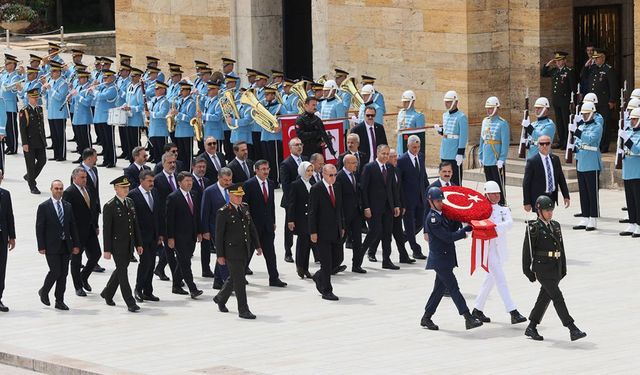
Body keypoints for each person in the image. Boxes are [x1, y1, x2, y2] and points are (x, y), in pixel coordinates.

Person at [522, 195, 587, 341]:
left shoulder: (556, 225)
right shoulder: (534, 228)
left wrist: (563, 268)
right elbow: (527, 252)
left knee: (544, 298)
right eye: (546, 210)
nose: (550, 213)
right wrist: (528, 272)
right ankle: (572, 328)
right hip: (542, 269)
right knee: (557, 297)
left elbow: (561, 248)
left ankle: (531, 327)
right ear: (539, 211)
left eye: (551, 210)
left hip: (555, 268)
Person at [420, 187, 482, 331]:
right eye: (437, 201)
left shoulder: (442, 215)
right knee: (454, 288)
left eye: (441, 200)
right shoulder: (433, 218)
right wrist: (464, 232)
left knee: (438, 290)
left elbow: (453, 225)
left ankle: (426, 317)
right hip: (440, 261)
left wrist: (465, 218)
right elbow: (447, 237)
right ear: (430, 202)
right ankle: (468, 317)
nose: (440, 203)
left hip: (445, 259)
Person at [471, 181, 527, 324]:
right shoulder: (481, 210)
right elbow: (474, 224)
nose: (496, 196)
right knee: (501, 280)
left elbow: (509, 224)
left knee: (490, 280)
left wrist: (492, 228)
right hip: (487, 250)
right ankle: (512, 311)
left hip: (499, 249)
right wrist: (490, 229)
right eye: (493, 194)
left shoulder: (504, 209)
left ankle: (477, 309)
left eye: (498, 193)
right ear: (486, 194)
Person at [213, 183, 261, 319]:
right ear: (230, 195)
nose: (239, 198)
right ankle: (243, 309)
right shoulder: (223, 212)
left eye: (241, 196)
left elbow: (251, 228)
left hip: (244, 249)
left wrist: (257, 245)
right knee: (239, 280)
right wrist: (220, 255)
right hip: (231, 251)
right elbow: (219, 235)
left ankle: (220, 298)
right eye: (236, 196)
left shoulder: (245, 208)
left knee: (235, 276)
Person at [100, 176, 144, 312]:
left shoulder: (130, 202)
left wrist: (138, 244)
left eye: (127, 187)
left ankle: (107, 293)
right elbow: (107, 230)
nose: (126, 190)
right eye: (123, 187)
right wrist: (107, 249)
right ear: (116, 189)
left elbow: (135, 225)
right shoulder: (110, 206)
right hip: (117, 245)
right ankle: (130, 302)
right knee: (123, 273)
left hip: (129, 244)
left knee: (120, 270)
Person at [36, 180, 81, 310]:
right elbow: (39, 228)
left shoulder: (67, 206)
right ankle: (44, 291)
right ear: (51, 189)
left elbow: (73, 226)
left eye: (61, 188)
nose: (59, 191)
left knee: (64, 274)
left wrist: (76, 244)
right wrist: (41, 246)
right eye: (56, 188)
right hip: (51, 245)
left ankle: (59, 300)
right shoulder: (44, 206)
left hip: (66, 245)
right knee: (55, 271)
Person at [242, 160, 287, 287]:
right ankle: (240, 276)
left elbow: (271, 205)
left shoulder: (271, 183)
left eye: (267, 169)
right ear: (256, 170)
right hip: (253, 226)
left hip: (267, 226)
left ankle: (274, 278)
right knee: (247, 252)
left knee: (270, 253)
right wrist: (248, 224)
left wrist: (273, 221)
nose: (266, 171)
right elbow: (245, 206)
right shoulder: (249, 184)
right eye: (263, 169)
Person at [361, 144, 401, 270]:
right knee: (374, 232)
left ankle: (386, 260)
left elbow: (392, 188)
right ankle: (359, 256)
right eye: (383, 154)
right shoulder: (369, 168)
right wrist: (366, 207)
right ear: (377, 153)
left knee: (387, 234)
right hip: (374, 207)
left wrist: (396, 205)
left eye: (387, 154)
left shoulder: (389, 167)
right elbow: (364, 189)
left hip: (388, 207)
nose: (385, 156)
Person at [63, 168, 101, 297]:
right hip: (77, 232)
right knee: (76, 259)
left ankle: (83, 276)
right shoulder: (69, 192)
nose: (85, 180)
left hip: (90, 229)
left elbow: (93, 209)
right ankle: (78, 286)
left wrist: (95, 225)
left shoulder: (89, 189)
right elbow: (67, 215)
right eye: (82, 178)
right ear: (74, 178)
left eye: (85, 177)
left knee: (96, 254)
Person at [309, 164, 344, 301]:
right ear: (323, 174)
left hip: (336, 230)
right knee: (326, 262)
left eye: (335, 175)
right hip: (322, 231)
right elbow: (312, 212)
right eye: (330, 175)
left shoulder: (337, 186)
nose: (333, 178)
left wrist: (342, 225)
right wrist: (313, 231)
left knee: (337, 259)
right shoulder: (316, 189)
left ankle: (319, 276)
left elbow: (340, 208)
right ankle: (327, 290)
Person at [166, 172, 204, 299]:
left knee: (182, 261)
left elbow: (196, 215)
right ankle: (192, 288)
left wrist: (199, 231)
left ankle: (176, 285)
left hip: (191, 235)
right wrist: (170, 237)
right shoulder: (173, 197)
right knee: (185, 262)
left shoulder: (194, 194)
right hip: (179, 236)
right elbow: (169, 220)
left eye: (191, 181)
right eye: (186, 181)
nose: (189, 183)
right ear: (179, 183)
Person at [128, 170, 161, 302]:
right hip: (141, 236)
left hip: (154, 235)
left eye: (152, 181)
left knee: (151, 263)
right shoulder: (133, 195)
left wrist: (160, 234)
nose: (151, 183)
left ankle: (148, 291)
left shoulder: (154, 192)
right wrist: (135, 240)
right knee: (145, 262)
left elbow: (158, 214)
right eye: (149, 181)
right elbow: (132, 219)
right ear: (141, 181)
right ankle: (138, 288)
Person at [569, 101, 602, 231]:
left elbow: (590, 139)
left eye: (587, 114)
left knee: (592, 192)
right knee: (583, 191)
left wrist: (576, 131)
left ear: (592, 113)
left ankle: (593, 218)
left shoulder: (597, 126)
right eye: (583, 114)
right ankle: (585, 216)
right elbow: (578, 142)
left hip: (591, 162)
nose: (584, 116)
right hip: (581, 161)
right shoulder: (581, 126)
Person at [397, 135, 429, 260]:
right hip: (408, 200)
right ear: (408, 146)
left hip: (421, 197)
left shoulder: (421, 157)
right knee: (410, 225)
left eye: (418, 147)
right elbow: (399, 182)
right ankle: (415, 249)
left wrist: (428, 191)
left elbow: (423, 176)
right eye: (414, 147)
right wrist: (401, 201)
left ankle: (403, 238)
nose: (416, 149)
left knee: (420, 222)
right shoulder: (402, 160)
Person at [201, 167, 233, 289]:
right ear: (218, 178)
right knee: (223, 253)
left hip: (231, 228)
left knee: (223, 253)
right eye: (225, 180)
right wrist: (205, 230)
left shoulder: (234, 188)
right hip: (215, 228)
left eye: (230, 180)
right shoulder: (209, 191)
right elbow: (205, 212)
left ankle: (218, 281)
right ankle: (227, 281)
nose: (228, 183)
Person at [581, 48, 618, 153]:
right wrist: (586, 65)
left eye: (597, 58)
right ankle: (596, 143)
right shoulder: (593, 68)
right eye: (594, 58)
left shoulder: (608, 69)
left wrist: (612, 100)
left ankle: (604, 145)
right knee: (593, 124)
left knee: (604, 124)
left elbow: (613, 86)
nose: (595, 60)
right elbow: (583, 76)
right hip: (592, 103)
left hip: (604, 101)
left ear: (603, 58)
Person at [522, 135, 570, 212]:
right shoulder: (532, 161)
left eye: (547, 143)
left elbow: (561, 179)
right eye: (542, 144)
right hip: (539, 197)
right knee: (543, 219)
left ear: (550, 145)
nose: (544, 146)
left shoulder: (555, 159)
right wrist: (526, 202)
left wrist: (566, 196)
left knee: (548, 219)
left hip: (552, 196)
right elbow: (526, 183)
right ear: (538, 145)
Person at [153, 152, 181, 282]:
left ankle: (159, 268)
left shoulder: (177, 176)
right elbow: (157, 203)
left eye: (174, 162)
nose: (172, 165)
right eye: (169, 163)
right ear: (163, 163)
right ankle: (177, 278)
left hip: (177, 218)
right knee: (170, 249)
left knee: (173, 247)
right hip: (164, 219)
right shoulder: (158, 180)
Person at [336, 154, 365, 273]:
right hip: (345, 215)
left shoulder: (355, 174)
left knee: (357, 240)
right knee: (340, 240)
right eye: (354, 163)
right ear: (346, 164)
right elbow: (339, 199)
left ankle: (356, 265)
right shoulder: (339, 177)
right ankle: (335, 264)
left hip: (356, 213)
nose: (356, 164)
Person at [541, 51, 576, 149]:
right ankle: (561, 141)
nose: (558, 62)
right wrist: (549, 63)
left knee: (566, 122)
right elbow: (543, 73)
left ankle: (567, 141)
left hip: (565, 101)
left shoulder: (569, 71)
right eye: (556, 61)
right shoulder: (555, 71)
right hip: (557, 101)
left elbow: (573, 87)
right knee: (559, 122)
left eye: (560, 60)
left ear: (564, 61)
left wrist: (572, 102)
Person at [479, 96, 510, 204]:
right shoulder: (485, 121)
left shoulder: (502, 123)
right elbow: (482, 140)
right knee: (489, 184)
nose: (488, 110)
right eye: (487, 108)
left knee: (499, 185)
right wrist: (480, 156)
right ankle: (490, 203)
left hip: (496, 159)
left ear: (497, 108)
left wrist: (502, 158)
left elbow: (505, 143)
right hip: (487, 158)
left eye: (491, 108)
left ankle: (502, 203)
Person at [279, 137, 306, 263]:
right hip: (292, 200)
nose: (299, 147)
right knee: (289, 226)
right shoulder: (286, 163)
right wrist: (292, 202)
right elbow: (286, 185)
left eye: (300, 144)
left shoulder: (305, 160)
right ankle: (288, 251)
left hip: (306, 199)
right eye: (296, 145)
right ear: (290, 148)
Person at [434, 91, 468, 186]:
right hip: (445, 151)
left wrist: (460, 152)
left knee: (455, 179)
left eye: (448, 101)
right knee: (444, 178)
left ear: (455, 102)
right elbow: (447, 132)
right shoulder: (445, 115)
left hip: (454, 152)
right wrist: (440, 130)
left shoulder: (461, 117)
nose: (446, 103)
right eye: (446, 101)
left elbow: (463, 136)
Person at [287, 161, 314, 278]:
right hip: (301, 218)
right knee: (302, 243)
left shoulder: (312, 183)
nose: (310, 173)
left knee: (308, 244)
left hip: (311, 218)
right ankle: (300, 266)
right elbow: (292, 203)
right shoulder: (296, 184)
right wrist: (290, 219)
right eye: (308, 171)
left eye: (311, 170)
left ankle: (306, 268)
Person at [388, 148, 415, 264]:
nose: (396, 159)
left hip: (397, 208)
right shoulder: (384, 171)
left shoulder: (397, 171)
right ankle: (371, 252)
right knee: (380, 234)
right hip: (387, 208)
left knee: (399, 233)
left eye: (396, 156)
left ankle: (403, 256)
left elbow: (400, 191)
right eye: (393, 156)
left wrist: (402, 205)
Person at [19, 88, 47, 194]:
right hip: (30, 142)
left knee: (42, 160)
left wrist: (44, 140)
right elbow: (22, 129)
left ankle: (29, 177)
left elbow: (42, 127)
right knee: (30, 165)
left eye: (37, 97)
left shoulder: (39, 109)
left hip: (39, 141)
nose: (36, 100)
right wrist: (25, 143)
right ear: (28, 98)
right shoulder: (24, 111)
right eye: (33, 98)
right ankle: (32, 186)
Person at [618, 107, 640, 237]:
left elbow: (637, 150)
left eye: (635, 119)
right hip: (628, 171)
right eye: (631, 119)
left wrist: (626, 139)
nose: (632, 121)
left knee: (638, 200)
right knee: (630, 200)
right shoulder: (629, 132)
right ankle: (632, 223)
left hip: (637, 172)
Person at [91, 69, 118, 167]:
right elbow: (95, 96)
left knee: (109, 140)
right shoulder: (103, 87)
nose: (104, 79)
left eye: (106, 77)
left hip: (107, 118)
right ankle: (106, 159)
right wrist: (93, 87)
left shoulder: (112, 88)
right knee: (104, 141)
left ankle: (112, 160)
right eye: (104, 77)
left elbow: (102, 96)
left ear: (111, 78)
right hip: (99, 117)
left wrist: (94, 90)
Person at [0, 170, 16, 312]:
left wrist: (12, 236)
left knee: (1, 268)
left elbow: (9, 216)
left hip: (1, 237)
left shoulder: (5, 194)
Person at [147, 80, 170, 164]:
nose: (155, 90)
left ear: (163, 90)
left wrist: (151, 113)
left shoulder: (165, 101)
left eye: (157, 89)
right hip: (153, 130)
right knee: (156, 152)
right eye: (155, 89)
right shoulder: (153, 100)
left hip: (161, 131)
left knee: (162, 153)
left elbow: (162, 114)